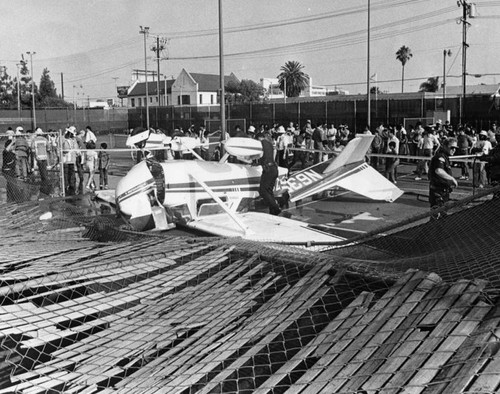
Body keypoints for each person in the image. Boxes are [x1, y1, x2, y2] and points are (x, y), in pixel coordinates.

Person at [428, 137, 459, 220]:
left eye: (455, 148)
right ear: (444, 146)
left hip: (444, 192)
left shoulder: (445, 157)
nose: (454, 150)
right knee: (437, 217)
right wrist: (452, 179)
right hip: (437, 192)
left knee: (442, 216)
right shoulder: (440, 157)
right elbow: (438, 170)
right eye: (451, 147)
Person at [256, 131, 281, 215]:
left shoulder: (260, 144)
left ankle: (276, 208)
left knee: (263, 191)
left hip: (268, 169)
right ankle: (273, 210)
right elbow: (267, 156)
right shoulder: (269, 144)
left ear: (258, 138)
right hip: (274, 168)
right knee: (269, 191)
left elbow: (260, 155)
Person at [31, 128, 50, 193]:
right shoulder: (45, 139)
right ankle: (45, 182)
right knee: (44, 170)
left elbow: (32, 149)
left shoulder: (34, 140)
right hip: (44, 157)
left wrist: (34, 156)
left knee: (41, 170)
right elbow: (48, 148)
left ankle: (44, 183)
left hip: (38, 157)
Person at [62, 128, 78, 196]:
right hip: (68, 160)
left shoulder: (71, 141)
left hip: (70, 160)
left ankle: (70, 186)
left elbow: (75, 149)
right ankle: (68, 186)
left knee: (69, 173)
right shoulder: (65, 140)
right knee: (68, 173)